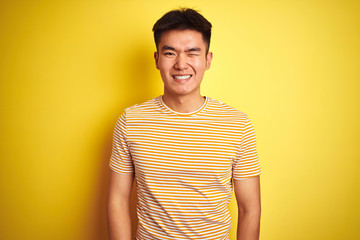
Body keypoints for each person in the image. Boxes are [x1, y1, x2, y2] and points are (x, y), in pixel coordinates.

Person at [107, 8, 261, 240]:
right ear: (157, 59)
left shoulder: (238, 125)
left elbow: (250, 209)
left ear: (207, 60)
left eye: (192, 53)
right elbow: (117, 200)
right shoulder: (131, 121)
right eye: (170, 53)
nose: (181, 64)